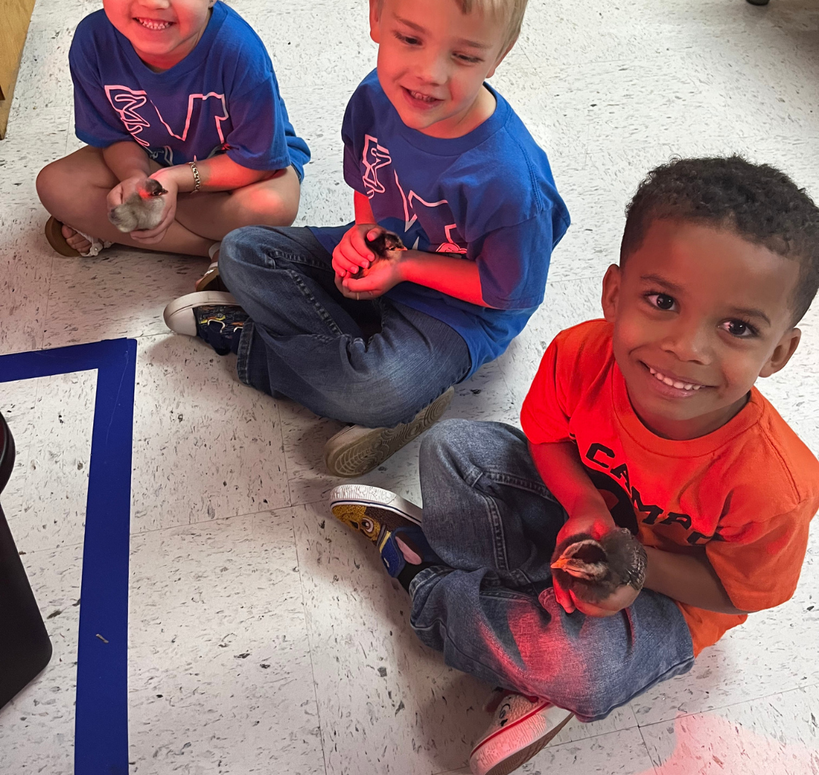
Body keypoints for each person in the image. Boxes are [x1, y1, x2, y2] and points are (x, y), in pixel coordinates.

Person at [330, 156, 819, 775]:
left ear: (779, 351)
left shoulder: (776, 484)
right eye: (662, 300)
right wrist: (584, 507)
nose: (687, 347)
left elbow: (737, 592)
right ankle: (526, 619)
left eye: (737, 327)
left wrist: (632, 572)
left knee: (582, 673)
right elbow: (549, 441)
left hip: (664, 599)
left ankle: (428, 585)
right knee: (452, 449)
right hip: (574, 515)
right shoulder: (581, 352)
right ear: (615, 293)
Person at [163, 0, 570, 476]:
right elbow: (369, 192)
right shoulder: (374, 99)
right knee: (242, 250)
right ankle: (345, 347)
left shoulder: (509, 180)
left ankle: (267, 350)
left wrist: (403, 267)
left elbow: (508, 293)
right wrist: (364, 233)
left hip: (458, 309)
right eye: (410, 38)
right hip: (392, 252)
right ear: (376, 13)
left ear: (500, 53)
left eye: (464, 56)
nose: (428, 74)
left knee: (377, 389)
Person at [36, 0, 310, 290]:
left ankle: (132, 230)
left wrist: (172, 184)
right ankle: (223, 249)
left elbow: (256, 162)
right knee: (54, 185)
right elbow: (112, 135)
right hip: (153, 166)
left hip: (230, 173)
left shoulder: (238, 52)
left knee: (275, 205)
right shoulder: (91, 42)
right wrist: (133, 179)